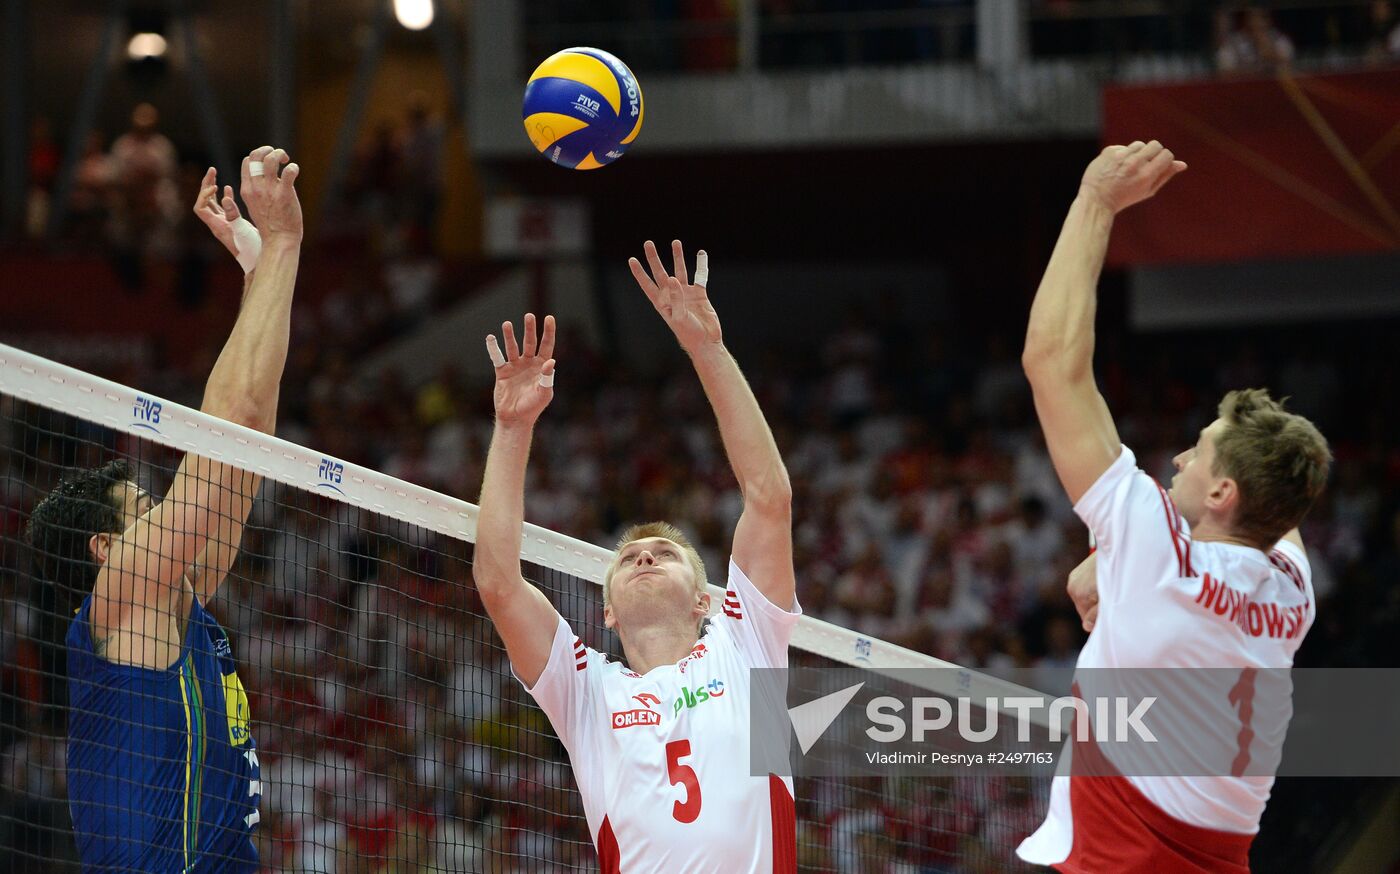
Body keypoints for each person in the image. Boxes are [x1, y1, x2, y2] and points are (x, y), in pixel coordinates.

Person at [1015, 140, 1331, 872]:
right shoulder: (1291, 588)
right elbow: (1282, 499)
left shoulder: (1160, 551)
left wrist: (1095, 199)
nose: (1181, 459)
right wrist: (1110, 559)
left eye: (1198, 450)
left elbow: (1051, 362)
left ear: (1224, 494)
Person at [473, 240, 800, 872]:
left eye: (664, 554)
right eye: (629, 559)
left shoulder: (747, 646)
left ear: (708, 601)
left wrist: (708, 349)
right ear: (609, 616)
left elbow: (769, 497)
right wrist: (513, 429)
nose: (644, 558)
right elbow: (498, 583)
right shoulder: (588, 690)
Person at [24, 145, 304, 872]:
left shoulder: (183, 604)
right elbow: (228, 420)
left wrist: (258, 275)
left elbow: (250, 438)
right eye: (145, 507)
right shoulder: (120, 605)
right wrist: (280, 244)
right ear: (106, 550)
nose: (169, 511)